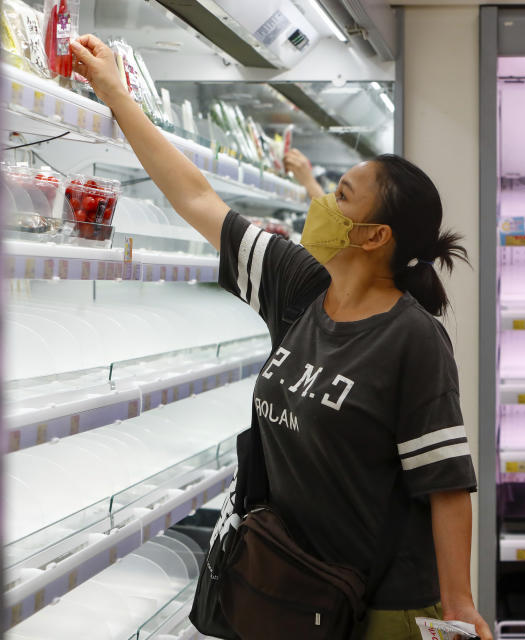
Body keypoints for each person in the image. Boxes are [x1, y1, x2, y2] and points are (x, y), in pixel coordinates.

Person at [70, 35, 493, 640]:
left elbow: (447, 480)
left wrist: (459, 603)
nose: (322, 204)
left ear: (374, 238)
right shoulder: (299, 286)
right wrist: (116, 94)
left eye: (340, 196)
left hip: (381, 604)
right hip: (292, 588)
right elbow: (196, 197)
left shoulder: (413, 339)